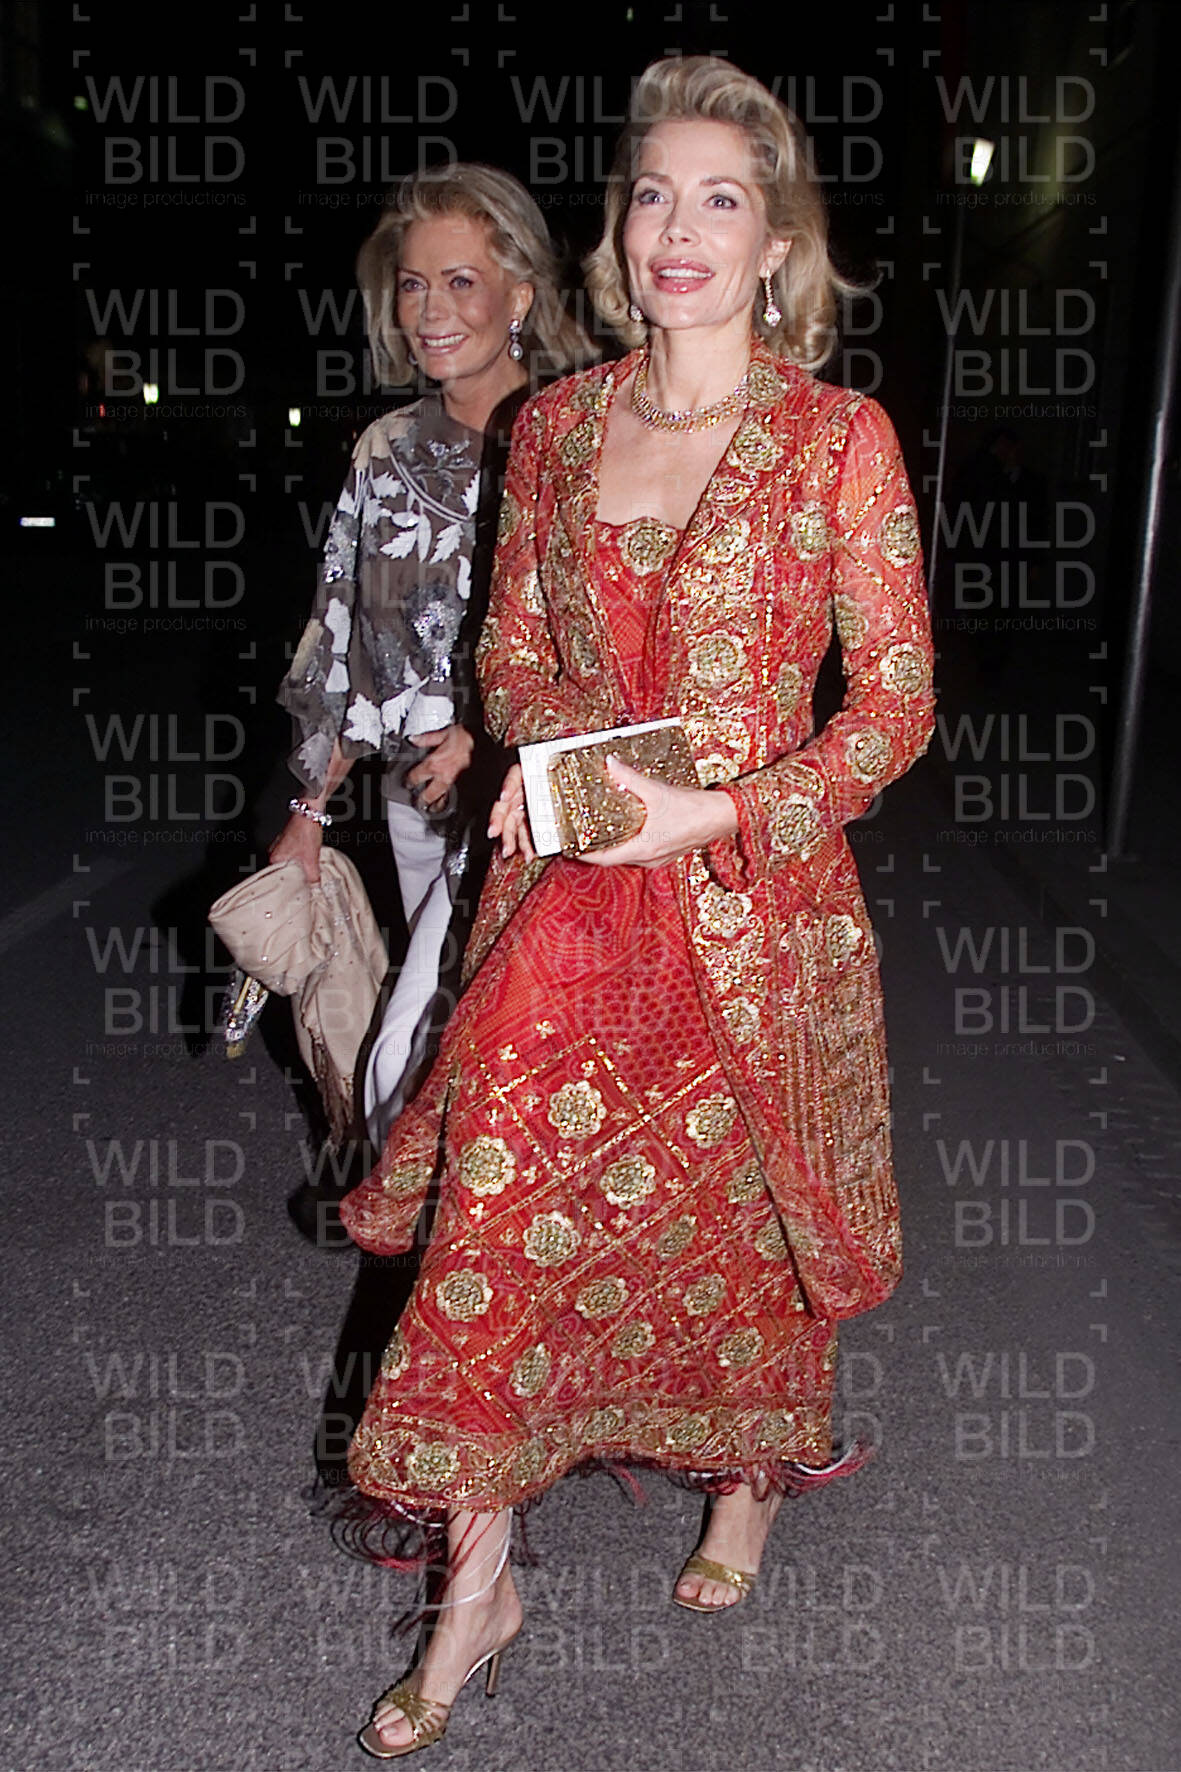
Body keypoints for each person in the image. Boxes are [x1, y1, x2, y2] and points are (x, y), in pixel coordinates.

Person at [339, 55, 935, 1758]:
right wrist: (584, 778)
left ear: (776, 243)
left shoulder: (836, 440)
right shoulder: (555, 426)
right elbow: (514, 652)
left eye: (720, 198)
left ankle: (744, 1479)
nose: (680, 227)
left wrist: (724, 807)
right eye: (653, 193)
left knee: (743, 1219)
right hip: (577, 889)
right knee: (494, 1212)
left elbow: (893, 706)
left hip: (756, 902)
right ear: (618, 232)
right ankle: (476, 1586)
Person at [273, 166, 592, 1157]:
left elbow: (608, 639)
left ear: (519, 296)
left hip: (522, 811)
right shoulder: (385, 449)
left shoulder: (577, 436)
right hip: (415, 804)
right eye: (413, 284)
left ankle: (416, 1229)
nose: (429, 310)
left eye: (460, 282)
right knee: (462, 1063)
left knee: (404, 1058)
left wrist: (492, 737)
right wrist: (308, 811)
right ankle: (469, 1234)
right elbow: (341, 640)